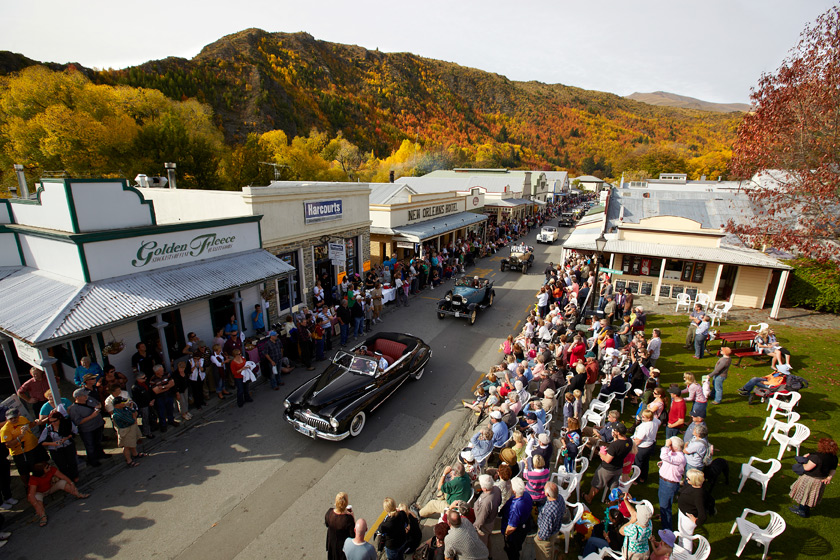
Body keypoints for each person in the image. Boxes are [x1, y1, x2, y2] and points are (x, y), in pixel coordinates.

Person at [27, 461, 89, 527]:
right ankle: (43, 516)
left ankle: (78, 494)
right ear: (41, 471)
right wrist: (37, 506)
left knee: (62, 482)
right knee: (37, 500)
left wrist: (71, 483)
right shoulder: (33, 479)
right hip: (40, 493)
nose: (49, 467)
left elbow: (63, 477)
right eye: (47, 467)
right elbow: (31, 495)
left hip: (51, 487)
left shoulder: (51, 469)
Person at [789, 437, 838, 518]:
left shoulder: (816, 457)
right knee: (811, 496)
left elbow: (807, 468)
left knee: (805, 495)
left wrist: (803, 461)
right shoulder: (834, 457)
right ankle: (805, 510)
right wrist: (829, 478)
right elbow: (833, 469)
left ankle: (802, 511)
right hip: (820, 480)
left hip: (810, 480)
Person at [585, 423, 632, 504]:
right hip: (618, 468)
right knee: (614, 487)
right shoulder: (629, 442)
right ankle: (612, 503)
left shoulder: (614, 445)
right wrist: (615, 438)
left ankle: (588, 498)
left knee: (597, 483)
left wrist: (600, 453)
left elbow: (607, 459)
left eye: (614, 430)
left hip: (607, 469)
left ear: (617, 432)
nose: (613, 431)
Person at [1, 408, 48, 486]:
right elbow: (8, 445)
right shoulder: (5, 429)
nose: (13, 420)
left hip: (34, 446)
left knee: (41, 464)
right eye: (10, 418)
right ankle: (28, 487)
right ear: (7, 419)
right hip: (21, 453)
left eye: (15, 417)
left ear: (18, 415)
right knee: (24, 472)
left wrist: (36, 422)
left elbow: (29, 425)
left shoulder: (22, 419)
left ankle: (44, 481)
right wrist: (20, 437)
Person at [67, 388, 107, 466]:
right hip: (87, 430)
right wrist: (92, 416)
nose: (86, 396)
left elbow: (98, 403)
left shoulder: (89, 399)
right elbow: (78, 422)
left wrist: (98, 406)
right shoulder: (74, 409)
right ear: (77, 397)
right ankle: (92, 460)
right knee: (90, 445)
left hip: (98, 425)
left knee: (98, 442)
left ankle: (101, 454)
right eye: (84, 395)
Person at [38, 410, 79, 481]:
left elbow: (74, 432)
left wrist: (65, 439)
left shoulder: (67, 424)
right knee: (62, 465)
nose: (53, 423)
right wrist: (53, 443)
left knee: (72, 462)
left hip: (68, 446)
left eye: (55, 421)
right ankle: (67, 478)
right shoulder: (48, 429)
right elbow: (41, 442)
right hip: (55, 450)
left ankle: (74, 476)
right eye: (51, 422)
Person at [500, 477, 533, 560]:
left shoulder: (516, 507)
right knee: (518, 544)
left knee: (513, 552)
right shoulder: (526, 495)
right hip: (524, 526)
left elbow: (512, 527)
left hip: (515, 533)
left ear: (514, 491)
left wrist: (506, 534)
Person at [657, 437, 686, 531]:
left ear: (675, 447)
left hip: (669, 484)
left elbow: (664, 456)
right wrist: (663, 464)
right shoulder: (674, 454)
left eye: (670, 445)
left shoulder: (680, 457)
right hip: (664, 481)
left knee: (666, 507)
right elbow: (666, 458)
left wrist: (666, 446)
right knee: (663, 504)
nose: (669, 446)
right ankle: (663, 518)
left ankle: (667, 530)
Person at [677, 469, 708, 549]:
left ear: (694, 480)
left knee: (687, 538)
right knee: (682, 533)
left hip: (688, 519)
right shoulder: (692, 486)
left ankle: (686, 554)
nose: (686, 479)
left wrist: (696, 521)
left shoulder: (698, 495)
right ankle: (680, 548)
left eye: (688, 478)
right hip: (683, 513)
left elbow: (703, 516)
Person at [534, 481, 565, 560]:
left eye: (544, 489)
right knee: (550, 548)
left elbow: (545, 532)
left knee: (544, 553)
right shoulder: (560, 498)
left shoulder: (549, 511)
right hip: (555, 530)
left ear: (547, 494)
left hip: (547, 537)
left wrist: (539, 538)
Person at [473, 474, 502, 550]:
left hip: (485, 524)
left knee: (482, 543)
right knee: (488, 537)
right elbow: (499, 501)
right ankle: (490, 554)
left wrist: (474, 527)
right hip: (492, 519)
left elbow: (481, 520)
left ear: (484, 489)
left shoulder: (486, 502)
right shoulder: (496, 489)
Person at [325, 491, 355, 560]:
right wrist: (352, 517)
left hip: (331, 544)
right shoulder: (348, 519)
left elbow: (327, 524)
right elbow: (353, 535)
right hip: (342, 547)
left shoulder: (329, 513)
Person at [632, 410, 659, 484]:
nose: (642, 416)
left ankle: (635, 479)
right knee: (645, 463)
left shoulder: (645, 427)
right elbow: (659, 423)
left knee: (638, 464)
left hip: (642, 447)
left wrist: (632, 447)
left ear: (649, 418)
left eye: (644, 416)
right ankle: (643, 477)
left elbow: (638, 440)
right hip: (650, 445)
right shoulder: (655, 421)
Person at [149, 365, 179, 431]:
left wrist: (162, 387)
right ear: (156, 372)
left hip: (169, 395)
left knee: (170, 408)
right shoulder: (153, 380)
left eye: (162, 369)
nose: (162, 371)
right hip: (160, 398)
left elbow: (172, 384)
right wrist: (167, 387)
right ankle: (163, 425)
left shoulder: (166, 374)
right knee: (161, 411)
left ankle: (171, 420)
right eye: (161, 370)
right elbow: (156, 391)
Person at [130, 372, 156, 439]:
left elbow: (151, 392)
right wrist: (148, 403)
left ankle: (153, 427)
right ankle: (147, 432)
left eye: (145, 377)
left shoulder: (146, 383)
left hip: (150, 402)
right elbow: (138, 399)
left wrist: (153, 399)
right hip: (143, 405)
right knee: (145, 419)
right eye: (143, 378)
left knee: (152, 416)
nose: (145, 379)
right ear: (138, 379)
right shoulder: (135, 388)